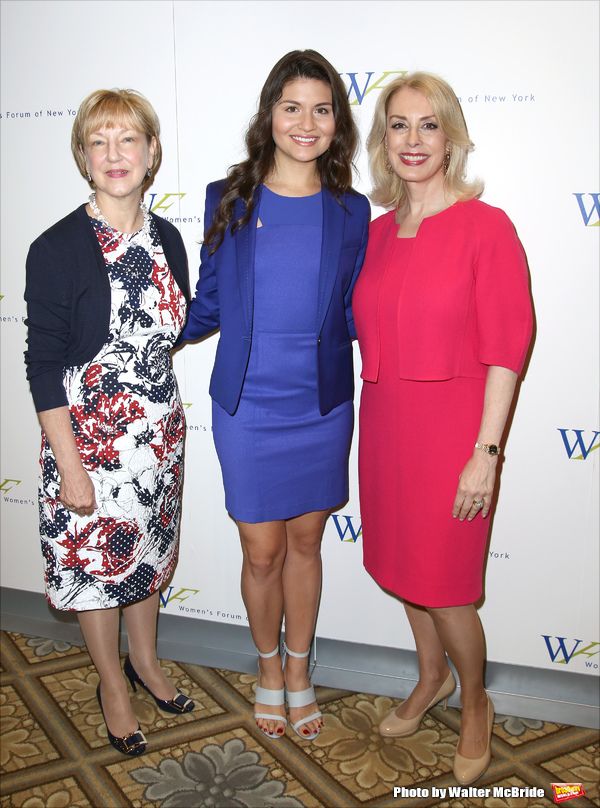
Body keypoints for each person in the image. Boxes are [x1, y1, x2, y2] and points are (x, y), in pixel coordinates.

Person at [181, 50, 369, 740]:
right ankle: (265, 668)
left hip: (320, 405)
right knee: (261, 551)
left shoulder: (352, 211)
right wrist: (145, 340)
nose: (306, 122)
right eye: (292, 107)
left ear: (336, 122)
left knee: (307, 543)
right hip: (247, 406)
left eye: (322, 109)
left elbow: (356, 311)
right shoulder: (227, 196)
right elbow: (207, 303)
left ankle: (298, 670)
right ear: (270, 115)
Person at [353, 72, 533, 784]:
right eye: (399, 125)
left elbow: (507, 348)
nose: (413, 140)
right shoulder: (374, 234)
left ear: (452, 137)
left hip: (454, 435)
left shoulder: (487, 228)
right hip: (388, 427)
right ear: (383, 139)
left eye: (429, 125)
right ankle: (430, 679)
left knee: (448, 586)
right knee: (406, 572)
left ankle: (476, 700)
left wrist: (485, 454)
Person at [24, 89, 194, 757]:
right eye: (100, 141)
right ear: (83, 156)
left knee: (146, 562)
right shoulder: (57, 247)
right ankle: (111, 685)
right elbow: (43, 367)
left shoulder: (169, 238)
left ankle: (146, 664)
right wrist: (69, 464)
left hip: (157, 444)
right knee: (98, 573)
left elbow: (165, 338)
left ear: (151, 153)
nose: (115, 154)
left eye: (129, 140)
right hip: (88, 449)